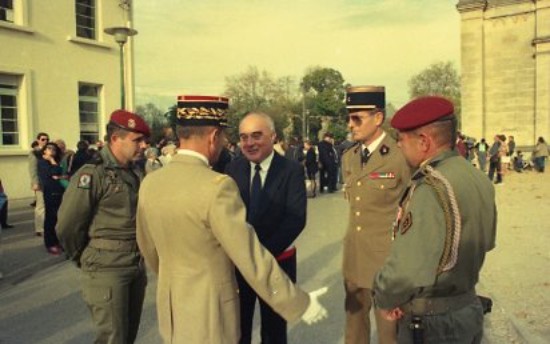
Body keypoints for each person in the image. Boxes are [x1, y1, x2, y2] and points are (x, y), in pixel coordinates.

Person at [136, 95, 327, 343]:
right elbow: (247, 253)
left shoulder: (151, 182)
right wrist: (300, 304)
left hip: (173, 308)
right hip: (213, 309)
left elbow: (149, 248)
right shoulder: (217, 185)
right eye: (229, 136)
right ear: (214, 136)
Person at [372, 96, 497, 344]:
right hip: (467, 310)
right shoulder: (476, 176)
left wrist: (386, 298)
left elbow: (405, 271)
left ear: (424, 142)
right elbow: (487, 242)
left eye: (402, 138)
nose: (398, 145)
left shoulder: (431, 187)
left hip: (433, 324)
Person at [57, 110, 150, 344]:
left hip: (134, 264)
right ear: (116, 138)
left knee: (127, 336)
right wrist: (83, 256)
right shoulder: (92, 174)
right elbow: (68, 225)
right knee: (112, 338)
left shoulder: (134, 172)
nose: (143, 145)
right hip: (106, 267)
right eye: (137, 140)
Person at [225, 111, 308, 344]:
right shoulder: (232, 170)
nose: (249, 143)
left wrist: (260, 255)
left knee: (274, 331)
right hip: (239, 265)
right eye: (244, 137)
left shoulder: (291, 170)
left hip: (276, 262)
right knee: (238, 328)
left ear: (273, 136)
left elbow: (296, 219)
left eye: (256, 136)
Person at [341, 85, 411, 344]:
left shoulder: (400, 157)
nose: (351, 125)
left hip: (387, 264)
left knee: (389, 334)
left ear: (378, 118)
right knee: (355, 331)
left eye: (357, 118)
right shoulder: (349, 157)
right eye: (348, 118)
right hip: (354, 260)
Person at [37, 142, 66, 255]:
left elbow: (58, 173)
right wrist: (53, 163)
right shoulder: (42, 162)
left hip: (58, 190)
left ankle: (57, 241)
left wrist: (57, 175)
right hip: (50, 191)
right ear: (44, 150)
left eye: (54, 149)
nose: (52, 150)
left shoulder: (54, 161)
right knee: (51, 218)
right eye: (49, 148)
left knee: (58, 218)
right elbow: (53, 173)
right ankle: (50, 243)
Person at [28, 132, 49, 236]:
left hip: (48, 181)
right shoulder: (34, 153)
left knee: (47, 205)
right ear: (38, 140)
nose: (45, 141)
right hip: (40, 182)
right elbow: (32, 168)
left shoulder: (47, 151)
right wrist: (35, 182)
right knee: (40, 206)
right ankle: (39, 228)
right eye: (43, 139)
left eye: (46, 139)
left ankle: (46, 226)